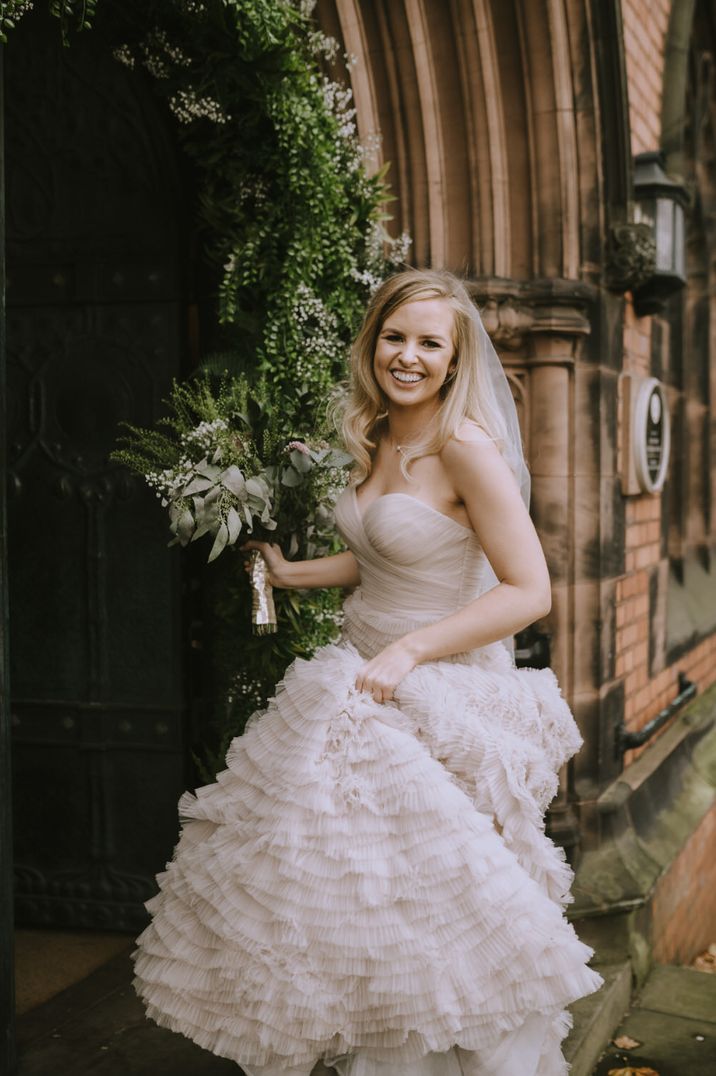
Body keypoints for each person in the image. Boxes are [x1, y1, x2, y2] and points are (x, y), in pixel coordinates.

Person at [131, 268, 603, 1076]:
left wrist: (412, 651)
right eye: (395, 336)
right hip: (354, 685)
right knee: (353, 903)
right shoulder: (377, 434)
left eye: (429, 343)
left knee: (433, 916)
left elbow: (531, 591)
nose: (408, 356)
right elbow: (382, 559)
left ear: (455, 361)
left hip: (432, 696)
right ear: (371, 342)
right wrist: (290, 574)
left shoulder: (466, 448)